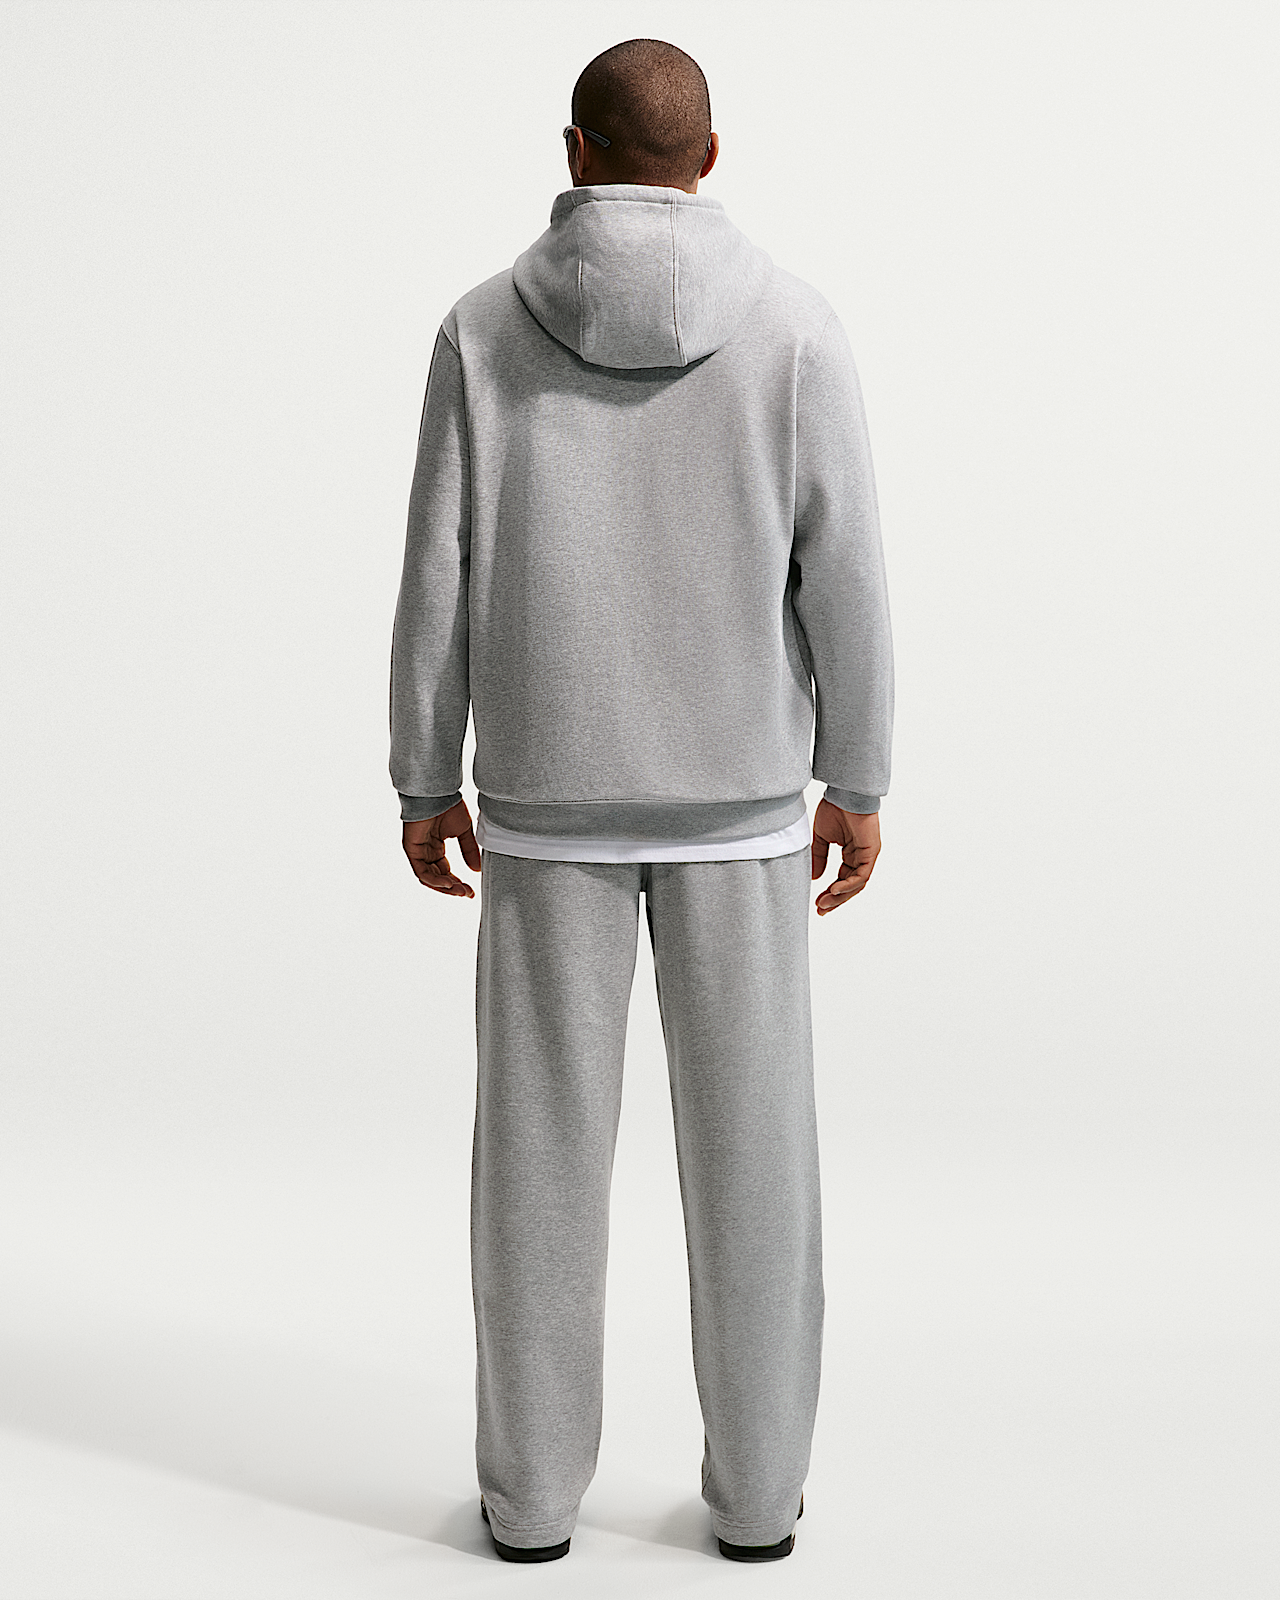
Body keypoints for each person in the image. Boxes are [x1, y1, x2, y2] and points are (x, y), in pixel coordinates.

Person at [389, 37, 893, 1566]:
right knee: (758, 1172)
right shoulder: (796, 333)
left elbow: (435, 569)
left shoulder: (484, 331)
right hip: (743, 814)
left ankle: (532, 1504)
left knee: (536, 1177)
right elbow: (848, 574)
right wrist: (859, 771)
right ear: (711, 157)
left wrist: (425, 769)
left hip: (548, 813)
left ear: (574, 152)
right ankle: (756, 1507)